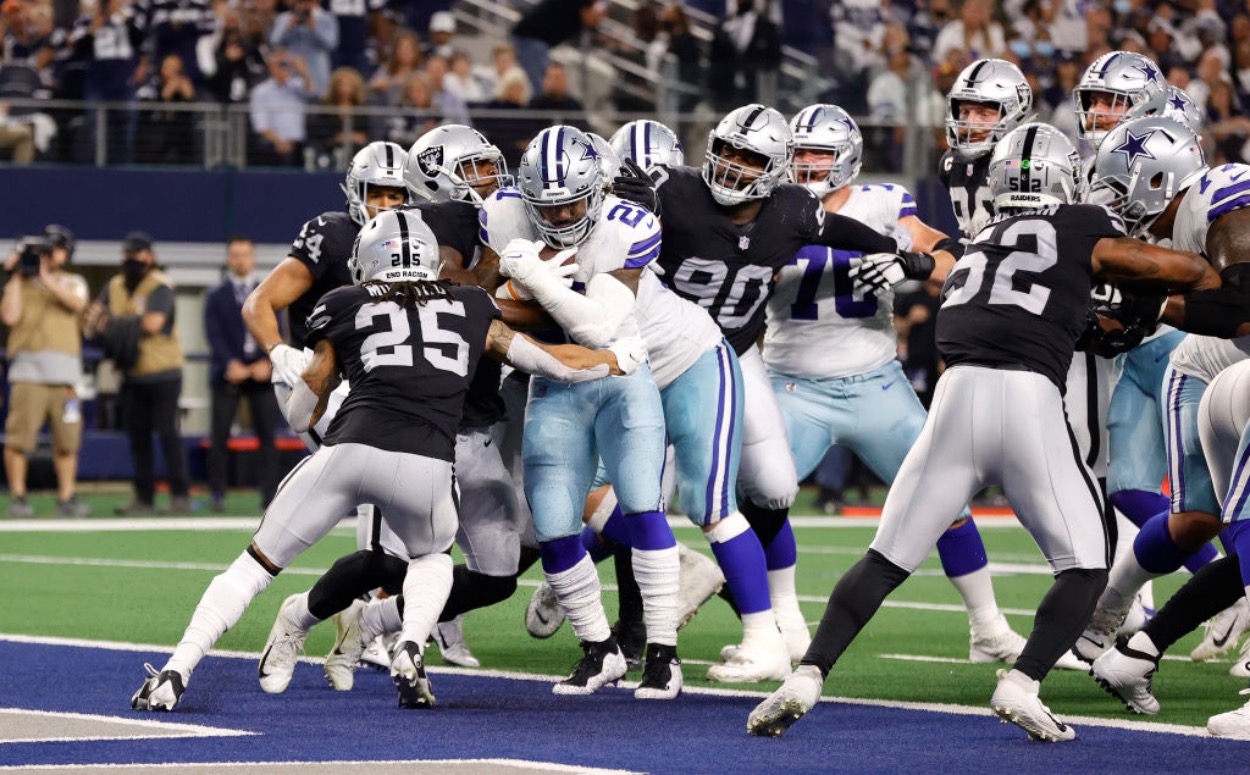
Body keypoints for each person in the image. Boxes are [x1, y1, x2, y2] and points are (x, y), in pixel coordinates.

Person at [747, 122, 1219, 743]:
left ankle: (807, 676)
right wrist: (1204, 273)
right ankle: (1021, 683)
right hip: (1026, 397)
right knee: (1086, 564)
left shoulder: (983, 238)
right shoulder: (1079, 225)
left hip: (954, 396)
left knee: (886, 559)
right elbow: (1169, 268)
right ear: (1066, 180)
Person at [131, 208, 635, 712]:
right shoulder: (470, 304)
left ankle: (176, 671)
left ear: (366, 261)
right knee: (431, 559)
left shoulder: (345, 302)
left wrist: (299, 381)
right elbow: (547, 360)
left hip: (348, 450)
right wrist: (614, 359)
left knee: (253, 567)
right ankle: (412, 645)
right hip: (427, 464)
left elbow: (304, 411)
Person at [763, 103, 1075, 670]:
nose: (807, 164)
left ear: (847, 160)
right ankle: (780, 624)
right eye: (800, 151)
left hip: (875, 383)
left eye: (819, 153)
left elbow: (950, 258)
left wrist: (907, 262)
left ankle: (987, 627)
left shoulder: (882, 203)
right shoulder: (772, 206)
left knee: (949, 499)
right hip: (793, 385)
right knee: (764, 496)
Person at [648, 103, 912, 664]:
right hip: (657, 355)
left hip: (734, 354)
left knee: (773, 487)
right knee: (645, 494)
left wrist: (897, 256)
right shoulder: (671, 192)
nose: (732, 166)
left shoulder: (794, 210)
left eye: (749, 158)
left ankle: (780, 622)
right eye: (726, 150)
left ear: (774, 170)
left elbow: (843, 230)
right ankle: (638, 612)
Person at [475, 125, 683, 699]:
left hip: (620, 374)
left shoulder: (630, 224)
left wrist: (535, 277)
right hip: (552, 379)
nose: (563, 216)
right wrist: (516, 294)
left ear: (601, 187)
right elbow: (482, 301)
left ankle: (663, 657)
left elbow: (597, 327)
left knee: (642, 506)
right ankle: (599, 651)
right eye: (549, 205)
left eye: (573, 201)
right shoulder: (503, 215)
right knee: (553, 521)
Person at [1074, 117, 1250, 663]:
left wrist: (1148, 306)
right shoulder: (1182, 222)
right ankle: (1111, 605)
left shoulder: (1221, 199)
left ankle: (1150, 644)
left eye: (1123, 186)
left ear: (1155, 179)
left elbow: (1243, 310)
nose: (1119, 205)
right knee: (1196, 519)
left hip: (1226, 354)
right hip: (1209, 368)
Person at [83, 232, 191, 516]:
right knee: (138, 437)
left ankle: (180, 496)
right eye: (128, 256)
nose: (132, 261)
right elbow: (93, 321)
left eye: (138, 256)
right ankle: (144, 498)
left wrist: (113, 324)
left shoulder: (160, 286)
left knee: (168, 434)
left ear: (150, 258)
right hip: (132, 375)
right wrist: (126, 324)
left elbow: (154, 323)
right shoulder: (115, 285)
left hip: (164, 372)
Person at [1, 226, 90, 518]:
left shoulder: (72, 281)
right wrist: (15, 275)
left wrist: (45, 277)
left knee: (67, 442)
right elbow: (9, 316)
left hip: (66, 376)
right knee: (19, 440)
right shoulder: (21, 284)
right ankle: (18, 496)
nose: (47, 255)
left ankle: (66, 498)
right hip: (29, 373)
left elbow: (78, 304)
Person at [204, 236, 279, 512]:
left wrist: (268, 360)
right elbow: (213, 334)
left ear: (253, 258)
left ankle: (270, 495)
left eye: (245, 255)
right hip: (228, 374)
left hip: (261, 373)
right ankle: (217, 494)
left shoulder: (267, 292)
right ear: (228, 259)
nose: (240, 260)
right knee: (219, 435)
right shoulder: (216, 296)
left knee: (267, 437)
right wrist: (230, 364)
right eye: (235, 255)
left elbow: (276, 328)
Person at [510, 0, 606, 100]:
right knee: (536, 84)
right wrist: (601, 6)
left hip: (538, 41)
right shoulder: (580, 3)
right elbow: (590, 19)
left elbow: (593, 22)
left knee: (536, 82)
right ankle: (536, 113)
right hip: (531, 38)